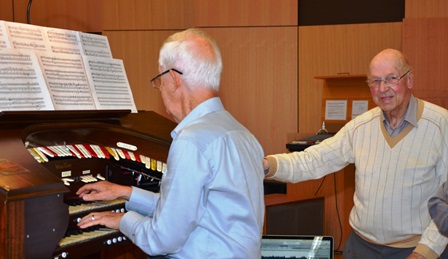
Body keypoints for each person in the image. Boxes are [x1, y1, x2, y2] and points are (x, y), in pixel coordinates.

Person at [77, 28, 265, 258]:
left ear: (174, 78)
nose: (160, 89)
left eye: (159, 81)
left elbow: (162, 239)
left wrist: (122, 220)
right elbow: (186, 210)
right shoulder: (243, 134)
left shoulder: (191, 141)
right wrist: (125, 192)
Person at [263, 48, 448, 259]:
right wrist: (266, 165)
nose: (383, 88)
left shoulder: (441, 125)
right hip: (361, 248)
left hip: (416, 250)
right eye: (375, 81)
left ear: (410, 80)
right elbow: (313, 160)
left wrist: (425, 252)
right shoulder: (360, 127)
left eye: (391, 78)